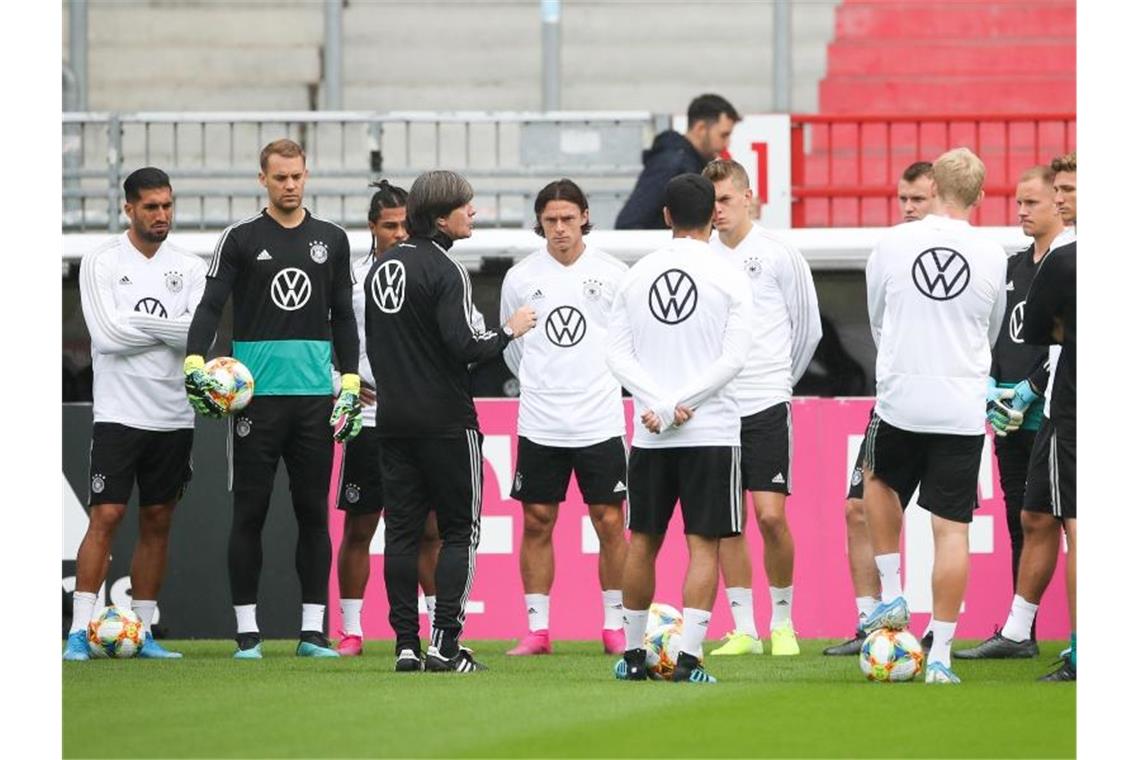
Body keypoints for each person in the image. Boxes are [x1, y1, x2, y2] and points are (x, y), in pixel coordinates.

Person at [185, 139, 363, 659]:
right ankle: (247, 634)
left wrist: (348, 379)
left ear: (307, 175)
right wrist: (196, 360)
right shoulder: (240, 239)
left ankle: (312, 633)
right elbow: (211, 303)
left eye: (297, 176)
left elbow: (345, 316)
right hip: (254, 402)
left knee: (313, 514)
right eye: (279, 177)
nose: (289, 185)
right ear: (262, 179)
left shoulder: (331, 239)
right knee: (250, 514)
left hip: (313, 401)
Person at [364, 170, 537, 672]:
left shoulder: (382, 269)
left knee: (400, 534)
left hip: (392, 418)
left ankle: (404, 646)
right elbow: (465, 347)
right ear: (442, 218)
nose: (474, 213)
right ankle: (445, 644)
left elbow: (378, 345)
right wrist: (510, 330)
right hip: (445, 420)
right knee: (459, 531)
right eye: (467, 206)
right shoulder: (446, 271)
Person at [861, 147, 1007, 684]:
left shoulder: (894, 243)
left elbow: (877, 313)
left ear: (934, 187)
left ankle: (893, 591)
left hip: (902, 394)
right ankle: (940, 655)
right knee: (952, 531)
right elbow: (989, 330)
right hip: (961, 404)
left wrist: (898, 355)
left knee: (876, 481)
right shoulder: (992, 254)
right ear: (980, 197)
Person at [607, 173, 753, 683]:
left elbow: (616, 354)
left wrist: (657, 404)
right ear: (713, 214)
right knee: (703, 545)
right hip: (709, 430)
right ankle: (688, 660)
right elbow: (734, 359)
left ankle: (630, 657)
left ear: (665, 215)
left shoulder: (636, 274)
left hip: (651, 432)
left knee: (642, 540)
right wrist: (679, 404)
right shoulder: (731, 274)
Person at [65, 167, 207, 661]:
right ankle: (79, 631)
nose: (161, 215)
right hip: (119, 413)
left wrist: (140, 323)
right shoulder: (101, 260)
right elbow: (107, 337)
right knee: (106, 514)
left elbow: (199, 336)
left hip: (173, 414)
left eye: (168, 205)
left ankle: (143, 632)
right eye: (151, 207)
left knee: (158, 520)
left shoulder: (189, 266)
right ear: (129, 209)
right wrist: (172, 327)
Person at [956, 152, 1077, 681]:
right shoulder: (1012, 267)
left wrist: (1030, 388)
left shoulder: (1070, 260)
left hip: (1052, 407)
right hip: (1017, 412)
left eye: (1034, 201)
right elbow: (1000, 334)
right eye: (1019, 202)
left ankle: (1064, 640)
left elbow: (1054, 341)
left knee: (1065, 522)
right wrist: (991, 386)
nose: (1023, 211)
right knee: (1026, 517)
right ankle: (1018, 630)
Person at [500, 179, 630, 656]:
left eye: (568, 219)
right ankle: (538, 629)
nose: (559, 229)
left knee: (609, 520)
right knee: (537, 520)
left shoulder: (615, 274)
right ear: (540, 223)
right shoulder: (519, 278)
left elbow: (626, 344)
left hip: (599, 417)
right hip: (541, 418)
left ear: (584, 217)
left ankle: (615, 625)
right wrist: (543, 382)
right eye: (550, 220)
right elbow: (514, 349)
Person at [697, 159, 821, 658]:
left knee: (770, 517)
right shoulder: (698, 256)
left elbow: (808, 329)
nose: (718, 211)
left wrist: (778, 383)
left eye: (726, 200)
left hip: (765, 401)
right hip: (716, 408)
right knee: (728, 520)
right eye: (711, 203)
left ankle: (784, 621)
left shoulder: (778, 253)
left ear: (749, 197)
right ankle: (745, 627)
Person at [823, 161, 935, 657]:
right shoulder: (887, 251)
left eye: (920, 199)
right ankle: (872, 621)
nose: (909, 208)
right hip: (892, 401)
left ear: (941, 198)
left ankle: (944, 629)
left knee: (946, 520)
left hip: (943, 402)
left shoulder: (962, 253)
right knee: (856, 507)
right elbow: (876, 321)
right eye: (904, 199)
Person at [332, 180, 443, 656]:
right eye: (389, 226)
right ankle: (352, 629)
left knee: (429, 530)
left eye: (404, 225)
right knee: (361, 526)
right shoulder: (351, 282)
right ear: (372, 228)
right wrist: (345, 384)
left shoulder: (428, 274)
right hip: (369, 420)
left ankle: (441, 628)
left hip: (418, 418)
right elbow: (328, 342)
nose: (398, 234)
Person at [615, 94, 740, 229]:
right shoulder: (671, 164)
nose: (727, 143)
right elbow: (629, 223)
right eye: (723, 135)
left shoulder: (690, 164)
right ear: (701, 129)